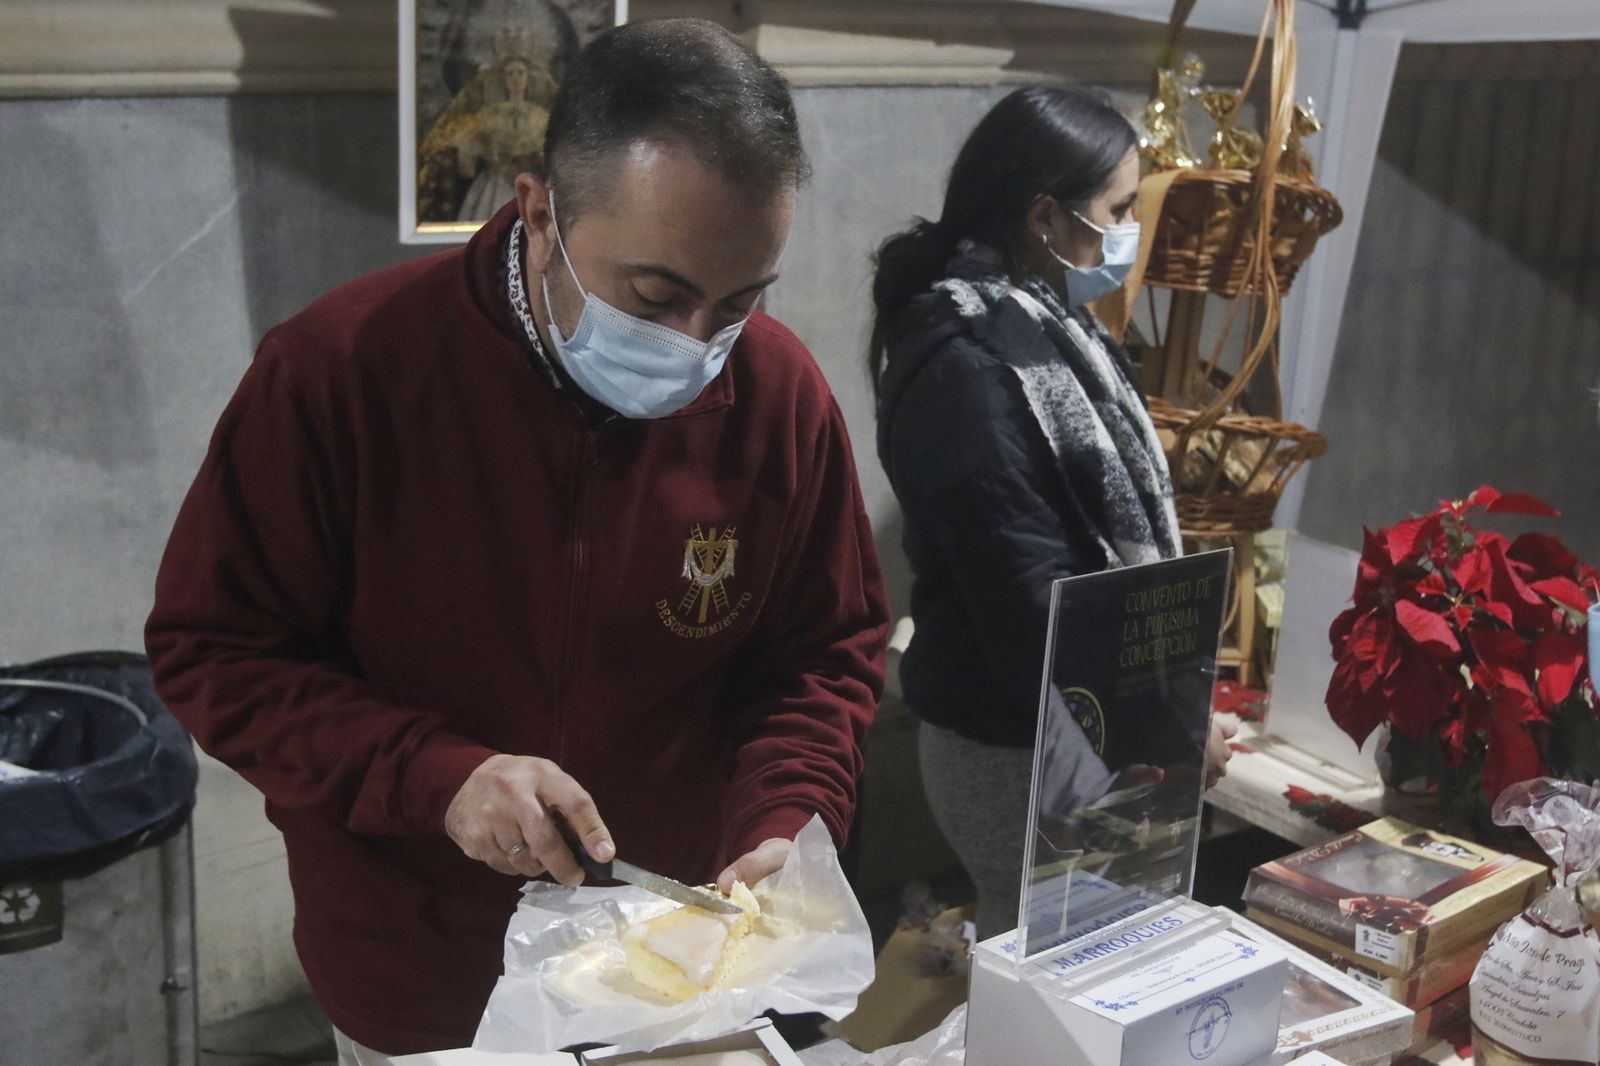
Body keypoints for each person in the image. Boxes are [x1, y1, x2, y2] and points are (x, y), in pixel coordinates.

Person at [146, 19, 888, 1059]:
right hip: (423, 970)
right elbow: (217, 651)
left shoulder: (774, 392)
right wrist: (437, 775)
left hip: (670, 964)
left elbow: (823, 652)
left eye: (738, 300)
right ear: (541, 212)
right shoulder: (343, 371)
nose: (696, 346)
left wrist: (786, 819)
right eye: (656, 295)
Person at [869, 85, 1232, 938]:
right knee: (1047, 962)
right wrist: (1161, 730)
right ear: (1044, 218)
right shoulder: (969, 363)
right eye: (1118, 209)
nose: (1129, 231)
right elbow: (1029, 593)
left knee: (1092, 956)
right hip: (1018, 745)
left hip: (1067, 723)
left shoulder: (1044, 331)